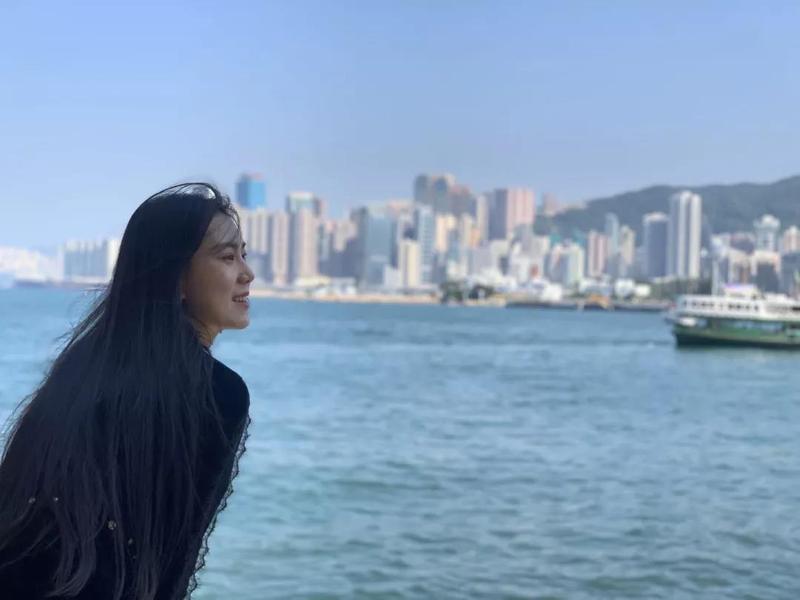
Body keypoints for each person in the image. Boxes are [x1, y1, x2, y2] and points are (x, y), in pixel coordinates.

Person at [0, 183, 255, 599]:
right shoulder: (217, 392)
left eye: (244, 254)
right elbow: (174, 560)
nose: (247, 273)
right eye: (228, 257)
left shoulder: (84, 364)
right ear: (176, 276)